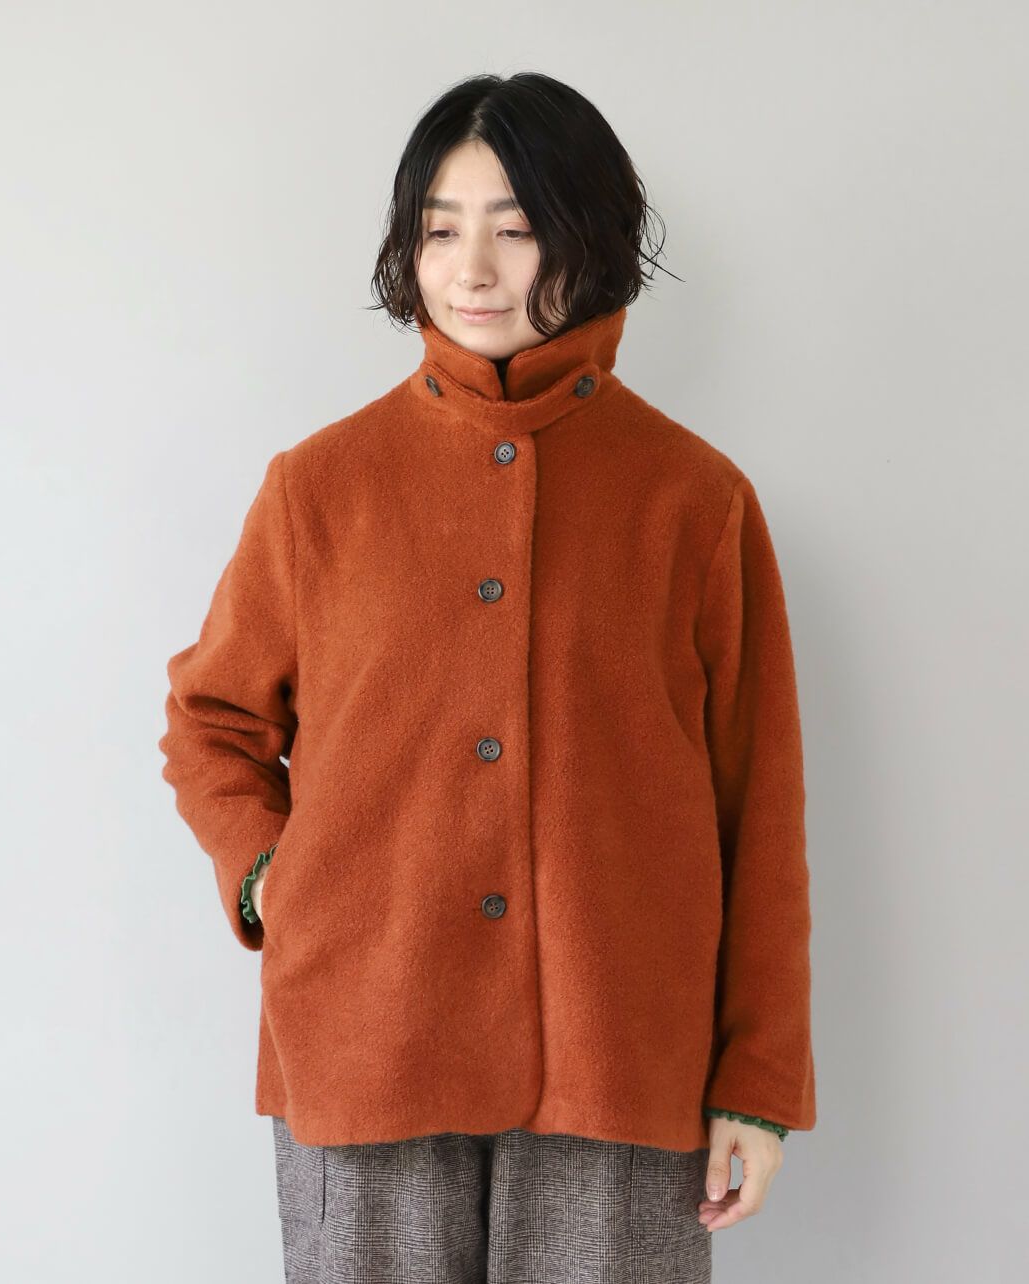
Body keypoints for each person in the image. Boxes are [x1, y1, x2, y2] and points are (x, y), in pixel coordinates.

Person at [159, 70, 816, 1284]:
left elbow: (757, 809)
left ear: (589, 237)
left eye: (514, 230)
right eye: (438, 230)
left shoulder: (695, 501)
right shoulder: (320, 488)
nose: (470, 270)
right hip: (363, 1041)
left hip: (621, 1057)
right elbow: (211, 720)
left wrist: (757, 1081)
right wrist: (268, 875)